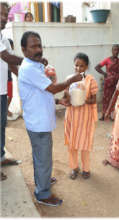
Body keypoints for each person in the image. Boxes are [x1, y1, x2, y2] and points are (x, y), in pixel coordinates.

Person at [18, 31, 83, 206]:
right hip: (38, 124)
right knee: (43, 157)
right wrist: (72, 80)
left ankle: (43, 181)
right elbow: (52, 88)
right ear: (23, 49)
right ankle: (43, 193)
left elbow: (39, 93)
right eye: (33, 46)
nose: (38, 49)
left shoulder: (34, 64)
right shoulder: (29, 68)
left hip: (40, 121)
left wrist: (58, 101)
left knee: (42, 157)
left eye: (39, 45)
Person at [60, 53, 98, 179]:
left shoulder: (90, 80)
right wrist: (67, 98)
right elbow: (65, 95)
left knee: (84, 144)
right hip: (72, 116)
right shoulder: (70, 79)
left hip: (85, 117)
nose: (78, 68)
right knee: (72, 144)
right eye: (76, 65)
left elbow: (93, 100)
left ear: (86, 67)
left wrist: (82, 100)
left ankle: (86, 169)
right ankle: (74, 167)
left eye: (81, 66)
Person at [0, 2, 23, 181]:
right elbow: (6, 57)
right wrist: (31, 60)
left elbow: (11, 64)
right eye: (0, 14)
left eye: (6, 16)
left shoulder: (3, 37)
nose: (4, 19)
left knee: (2, 126)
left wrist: (26, 77)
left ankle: (1, 157)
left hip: (1, 91)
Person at [95, 44, 119, 121]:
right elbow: (97, 67)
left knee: (114, 99)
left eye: (117, 50)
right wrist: (104, 74)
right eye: (114, 50)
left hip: (116, 83)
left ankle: (112, 116)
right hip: (108, 83)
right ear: (112, 51)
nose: (116, 51)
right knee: (106, 98)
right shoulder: (107, 60)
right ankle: (103, 115)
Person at [7, 38, 19, 121]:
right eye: (11, 46)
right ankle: (5, 111)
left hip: (9, 78)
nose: (12, 48)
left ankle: (6, 110)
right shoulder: (4, 55)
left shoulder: (10, 55)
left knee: (10, 96)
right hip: (4, 79)